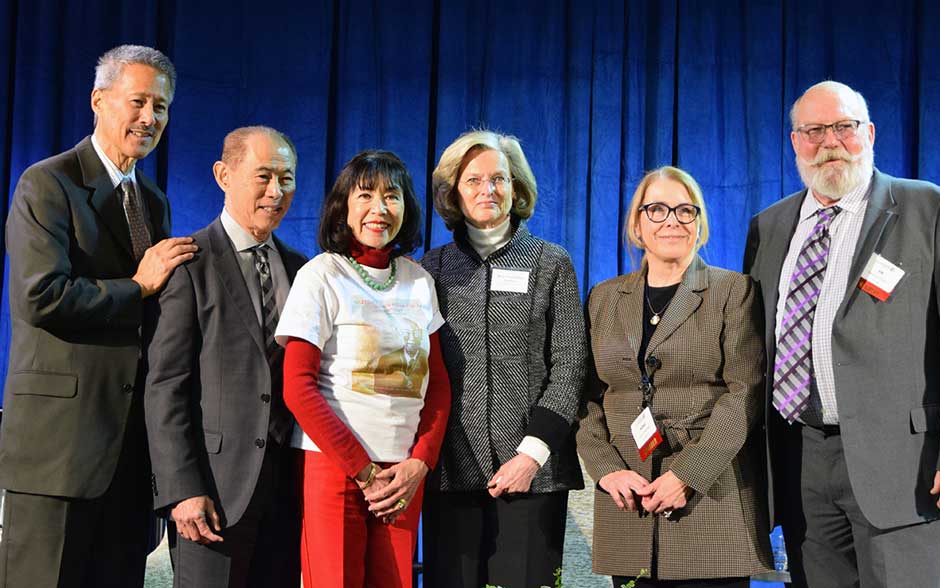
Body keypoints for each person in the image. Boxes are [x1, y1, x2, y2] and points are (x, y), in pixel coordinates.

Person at [743, 80, 940, 588]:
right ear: (795, 142)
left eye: (844, 127)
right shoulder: (768, 227)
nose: (829, 142)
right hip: (801, 464)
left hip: (902, 467)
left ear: (870, 133)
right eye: (813, 130)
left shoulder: (931, 208)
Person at [0, 45, 196, 588]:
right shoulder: (47, 183)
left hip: (131, 453)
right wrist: (137, 286)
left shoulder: (152, 199)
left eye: (160, 107)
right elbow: (41, 297)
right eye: (137, 102)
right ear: (98, 100)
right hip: (59, 453)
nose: (149, 118)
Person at [578, 166, 771, 587]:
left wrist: (688, 475)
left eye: (686, 211)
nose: (672, 220)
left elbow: (745, 394)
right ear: (636, 224)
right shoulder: (603, 298)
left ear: (699, 224)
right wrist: (606, 468)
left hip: (709, 496)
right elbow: (586, 398)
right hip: (627, 499)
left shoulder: (733, 291)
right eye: (658, 209)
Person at [420, 130, 587, 588]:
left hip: (534, 475)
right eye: (473, 180)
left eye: (499, 179)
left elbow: (571, 367)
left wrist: (530, 456)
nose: (487, 190)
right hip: (450, 475)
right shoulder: (429, 270)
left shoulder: (551, 262)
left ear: (517, 188)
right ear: (453, 192)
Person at [276, 150, 450, 588]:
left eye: (391, 196)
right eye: (365, 195)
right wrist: (363, 470)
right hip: (334, 469)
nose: (379, 208)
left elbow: (439, 386)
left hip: (403, 474)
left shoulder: (419, 280)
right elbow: (297, 387)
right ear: (344, 207)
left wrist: (419, 464)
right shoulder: (321, 275)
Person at [144, 126, 306, 587]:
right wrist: (181, 489)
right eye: (264, 176)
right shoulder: (188, 263)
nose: (276, 191)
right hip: (213, 493)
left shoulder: (302, 269)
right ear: (223, 175)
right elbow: (165, 387)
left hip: (287, 493)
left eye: (287, 178)